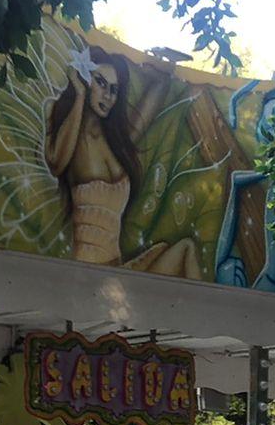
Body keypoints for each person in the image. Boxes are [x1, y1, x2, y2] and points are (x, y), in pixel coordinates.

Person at [43, 43, 201, 278]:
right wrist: (80, 95)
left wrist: (154, 64)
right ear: (85, 79)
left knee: (185, 249)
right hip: (88, 273)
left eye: (114, 89)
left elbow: (160, 87)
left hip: (115, 270)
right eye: (100, 83)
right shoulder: (74, 138)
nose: (108, 96)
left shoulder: (116, 142)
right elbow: (56, 163)